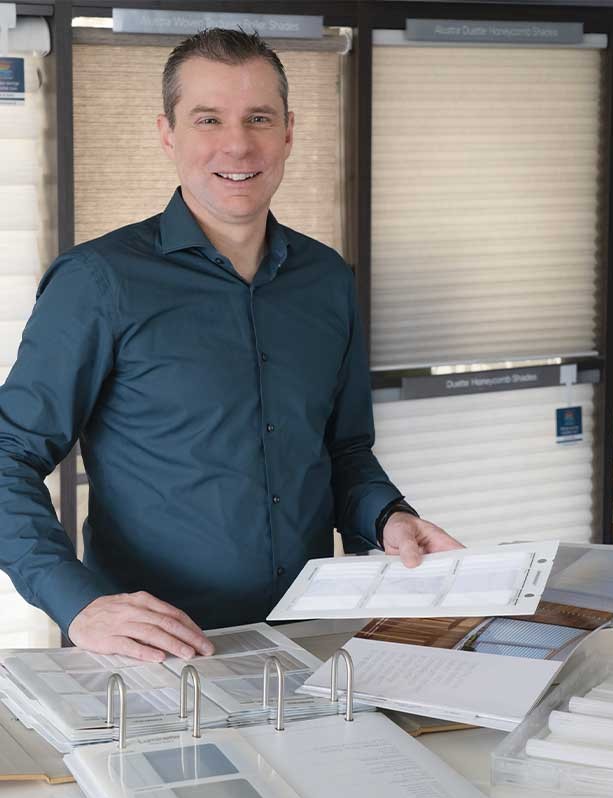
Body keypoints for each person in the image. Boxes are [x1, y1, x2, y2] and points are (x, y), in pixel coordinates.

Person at [0, 29, 461, 663]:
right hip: (150, 656)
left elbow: (344, 450)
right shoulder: (98, 282)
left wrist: (387, 519)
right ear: (168, 133)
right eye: (208, 118)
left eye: (259, 118)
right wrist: (76, 602)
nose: (238, 144)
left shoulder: (328, 280)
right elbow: (8, 454)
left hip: (307, 639)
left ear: (289, 132)